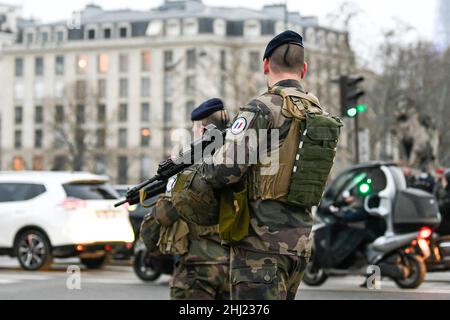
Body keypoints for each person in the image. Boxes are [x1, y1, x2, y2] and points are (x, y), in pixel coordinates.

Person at [199, 30, 341, 300]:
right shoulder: (317, 112)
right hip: (299, 243)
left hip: (259, 246)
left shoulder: (262, 108)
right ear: (304, 69)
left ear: (265, 64)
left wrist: (207, 160)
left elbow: (224, 172)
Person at [167, 98, 231, 300]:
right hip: (236, 267)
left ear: (203, 131)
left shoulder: (191, 171)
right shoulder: (240, 161)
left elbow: (163, 217)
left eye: (194, 129)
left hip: (198, 266)